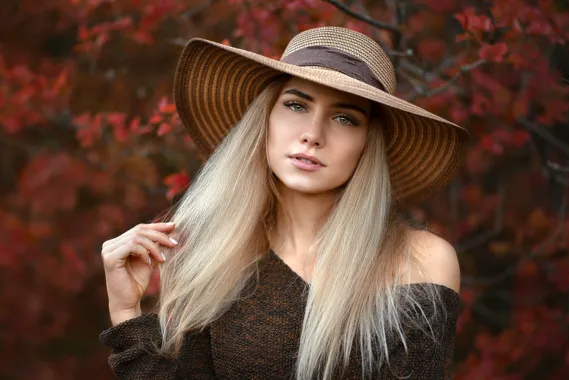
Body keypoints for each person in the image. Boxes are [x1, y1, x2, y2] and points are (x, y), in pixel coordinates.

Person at [99, 26, 470, 379]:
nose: (313, 135)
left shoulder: (419, 261)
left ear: (368, 145)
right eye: (296, 105)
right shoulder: (213, 258)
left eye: (345, 118)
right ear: (266, 119)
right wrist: (126, 311)